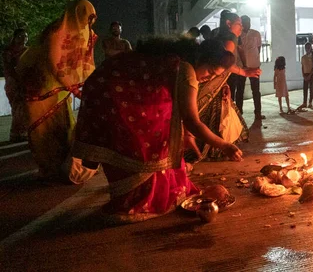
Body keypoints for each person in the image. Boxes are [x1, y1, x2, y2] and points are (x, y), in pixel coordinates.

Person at [71, 37, 240, 223]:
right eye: (210, 71)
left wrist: (185, 135)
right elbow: (192, 120)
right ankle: (140, 203)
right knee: (148, 148)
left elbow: (176, 109)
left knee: (163, 139)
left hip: (107, 90)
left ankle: (138, 198)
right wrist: (225, 145)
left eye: (216, 76)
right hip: (117, 99)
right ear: (199, 58)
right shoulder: (186, 70)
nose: (209, 77)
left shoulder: (173, 61)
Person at [17, 0, 98, 180]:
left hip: (61, 89)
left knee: (65, 127)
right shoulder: (55, 32)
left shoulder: (87, 33)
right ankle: (48, 169)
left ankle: (66, 168)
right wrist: (74, 87)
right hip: (40, 87)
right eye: (87, 17)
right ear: (75, 13)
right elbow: (54, 63)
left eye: (92, 18)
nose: (89, 22)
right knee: (42, 130)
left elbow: (86, 62)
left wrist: (90, 84)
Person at [192, 11, 261, 161]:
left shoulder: (226, 38)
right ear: (228, 24)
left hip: (218, 83)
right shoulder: (229, 40)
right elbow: (224, 65)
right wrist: (243, 72)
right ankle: (215, 148)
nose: (241, 27)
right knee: (214, 116)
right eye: (238, 24)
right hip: (213, 85)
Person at [2, 28, 29, 142]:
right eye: (21, 36)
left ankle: (21, 133)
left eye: (26, 36)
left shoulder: (28, 51)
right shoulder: (8, 52)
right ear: (15, 37)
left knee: (24, 108)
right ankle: (16, 134)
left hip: (26, 83)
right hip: (13, 83)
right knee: (17, 108)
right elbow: (9, 69)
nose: (24, 39)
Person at [238, 15, 265, 120]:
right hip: (241, 67)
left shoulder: (256, 33)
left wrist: (256, 61)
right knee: (240, 90)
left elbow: (259, 48)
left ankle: (258, 113)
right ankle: (239, 113)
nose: (247, 24)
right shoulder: (238, 34)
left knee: (256, 91)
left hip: (254, 66)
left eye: (248, 22)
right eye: (244, 22)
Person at [300, 42, 313, 109]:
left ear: (311, 48)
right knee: (305, 89)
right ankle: (304, 102)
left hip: (311, 74)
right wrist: (303, 75)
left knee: (311, 89)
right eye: (306, 48)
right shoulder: (303, 57)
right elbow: (302, 66)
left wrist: (310, 75)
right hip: (305, 74)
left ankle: (310, 102)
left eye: (309, 47)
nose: (307, 49)